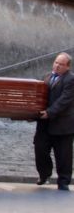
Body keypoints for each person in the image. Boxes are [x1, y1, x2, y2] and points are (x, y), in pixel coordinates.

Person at [34, 53, 74, 191]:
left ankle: (63, 181)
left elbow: (65, 100)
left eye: (61, 64)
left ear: (67, 67)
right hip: (44, 124)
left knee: (63, 155)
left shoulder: (71, 79)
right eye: (56, 62)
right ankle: (44, 175)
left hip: (62, 125)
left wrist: (50, 113)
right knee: (40, 150)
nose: (57, 66)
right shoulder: (46, 77)